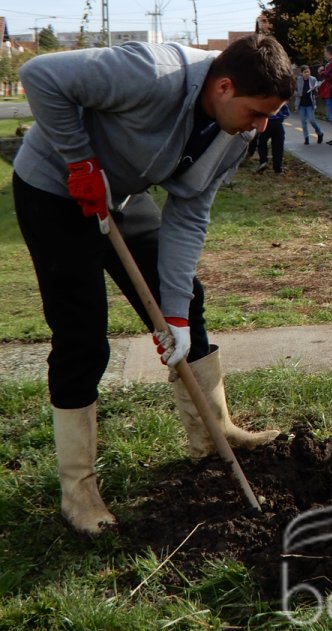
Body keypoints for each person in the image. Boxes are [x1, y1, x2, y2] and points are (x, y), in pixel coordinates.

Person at [13, 33, 295, 534]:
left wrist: (176, 313)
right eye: (256, 112)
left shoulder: (236, 133)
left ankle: (212, 432)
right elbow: (41, 75)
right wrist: (80, 161)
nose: (262, 126)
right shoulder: (151, 70)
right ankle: (79, 492)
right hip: (55, 189)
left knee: (187, 298)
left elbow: (189, 213)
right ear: (224, 87)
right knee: (83, 338)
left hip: (120, 194)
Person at [249, 102, 290, 173]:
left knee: (262, 143)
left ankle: (263, 162)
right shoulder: (280, 100)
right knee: (278, 146)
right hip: (278, 125)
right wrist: (280, 116)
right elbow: (287, 114)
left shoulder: (265, 99)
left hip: (266, 123)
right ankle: (278, 167)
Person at [294, 65, 323, 144]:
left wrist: (314, 89)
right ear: (302, 73)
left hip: (310, 104)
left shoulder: (313, 79)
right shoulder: (298, 80)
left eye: (308, 72)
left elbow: (317, 91)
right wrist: (298, 94)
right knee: (303, 122)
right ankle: (306, 138)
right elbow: (294, 90)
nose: (307, 74)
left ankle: (320, 133)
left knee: (312, 120)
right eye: (305, 72)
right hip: (301, 104)